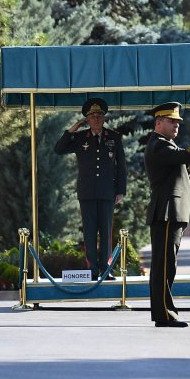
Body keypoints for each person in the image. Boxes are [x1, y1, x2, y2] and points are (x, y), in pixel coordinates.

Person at [144, 102, 190, 328]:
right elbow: (186, 154)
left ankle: (166, 312)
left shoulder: (166, 145)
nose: (176, 125)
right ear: (159, 123)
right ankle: (164, 314)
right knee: (164, 265)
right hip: (166, 212)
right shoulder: (158, 145)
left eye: (178, 122)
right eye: (172, 121)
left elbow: (181, 162)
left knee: (168, 264)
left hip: (172, 213)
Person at [54, 97, 126, 280]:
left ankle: (106, 269)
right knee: (90, 232)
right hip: (86, 192)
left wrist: (120, 190)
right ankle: (92, 269)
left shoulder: (114, 137)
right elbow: (59, 149)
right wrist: (73, 129)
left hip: (107, 192)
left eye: (99, 115)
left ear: (104, 118)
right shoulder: (79, 138)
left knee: (106, 232)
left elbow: (121, 166)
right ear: (87, 119)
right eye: (92, 116)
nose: (96, 119)